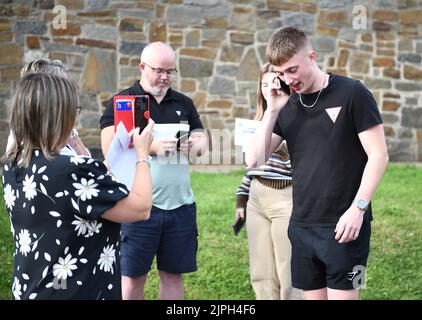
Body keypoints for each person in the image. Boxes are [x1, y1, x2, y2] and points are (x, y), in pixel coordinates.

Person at [246, 27, 389, 300]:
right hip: (301, 226)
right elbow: (254, 159)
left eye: (292, 70)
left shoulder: (353, 93)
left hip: (346, 227)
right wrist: (273, 110)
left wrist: (358, 209)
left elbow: (379, 156)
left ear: (312, 57)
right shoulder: (286, 104)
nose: (288, 79)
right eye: (280, 73)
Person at [2, 72, 154, 299]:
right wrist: (143, 153)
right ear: (60, 116)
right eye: (74, 111)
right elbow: (141, 208)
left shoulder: (11, 165)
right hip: (77, 290)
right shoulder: (71, 170)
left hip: (34, 286)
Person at [100, 42, 208, 300]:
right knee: (133, 278)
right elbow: (108, 149)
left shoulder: (184, 102)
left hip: (180, 206)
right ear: (142, 67)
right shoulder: (122, 102)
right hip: (136, 207)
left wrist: (198, 143)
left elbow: (202, 138)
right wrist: (151, 147)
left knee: (172, 276)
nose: (165, 77)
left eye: (170, 71)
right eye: (159, 70)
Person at [235, 63, 302, 300]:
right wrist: (242, 198)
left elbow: (301, 160)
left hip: (285, 197)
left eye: (273, 82)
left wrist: (273, 147)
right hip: (256, 197)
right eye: (263, 84)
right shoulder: (260, 119)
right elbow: (250, 168)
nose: (268, 88)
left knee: (289, 271)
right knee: (262, 272)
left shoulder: (295, 114)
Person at [6, 58, 91, 157]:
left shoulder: (60, 128)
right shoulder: (30, 137)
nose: (69, 94)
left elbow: (85, 158)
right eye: (64, 87)